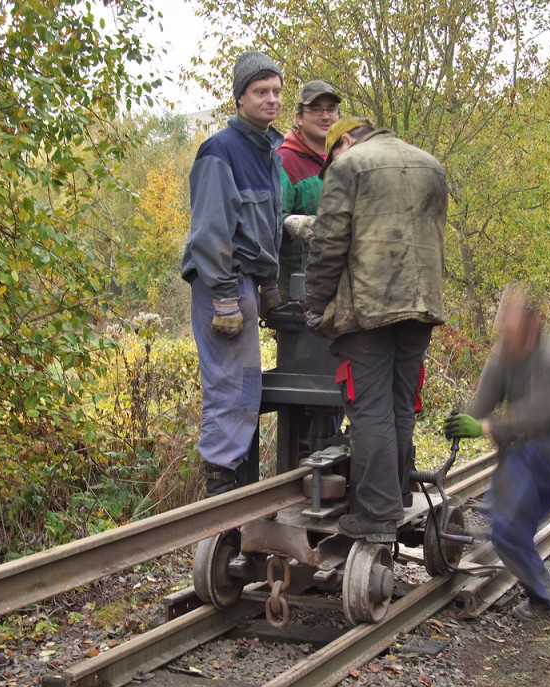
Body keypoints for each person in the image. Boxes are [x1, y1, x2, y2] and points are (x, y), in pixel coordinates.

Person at [304, 117, 448, 543]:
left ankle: (377, 511)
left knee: (369, 409)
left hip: (367, 311)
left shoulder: (349, 166)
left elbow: (328, 244)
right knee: (400, 405)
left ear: (344, 141)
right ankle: (397, 494)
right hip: (421, 306)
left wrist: (315, 305)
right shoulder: (431, 165)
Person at [443, 289, 550, 621]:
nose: (504, 327)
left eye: (512, 321)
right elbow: (483, 400)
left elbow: (535, 417)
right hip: (538, 448)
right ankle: (543, 596)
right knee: (507, 532)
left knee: (518, 457)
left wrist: (484, 428)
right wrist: (462, 419)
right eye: (503, 321)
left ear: (533, 325)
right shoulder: (504, 353)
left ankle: (496, 510)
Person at [180, 51, 285, 497]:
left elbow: (266, 226)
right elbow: (211, 232)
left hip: (244, 282)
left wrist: (269, 284)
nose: (272, 100)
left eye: (277, 91)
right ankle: (221, 495)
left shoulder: (268, 152)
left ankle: (238, 492)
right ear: (240, 97)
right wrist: (225, 296)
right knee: (230, 386)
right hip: (220, 283)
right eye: (261, 91)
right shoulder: (220, 151)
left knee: (246, 387)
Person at [276, 81, 341, 297]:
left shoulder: (347, 158)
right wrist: (291, 223)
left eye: (331, 109)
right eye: (316, 109)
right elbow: (270, 221)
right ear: (299, 118)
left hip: (341, 288)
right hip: (298, 291)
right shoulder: (285, 161)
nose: (325, 116)